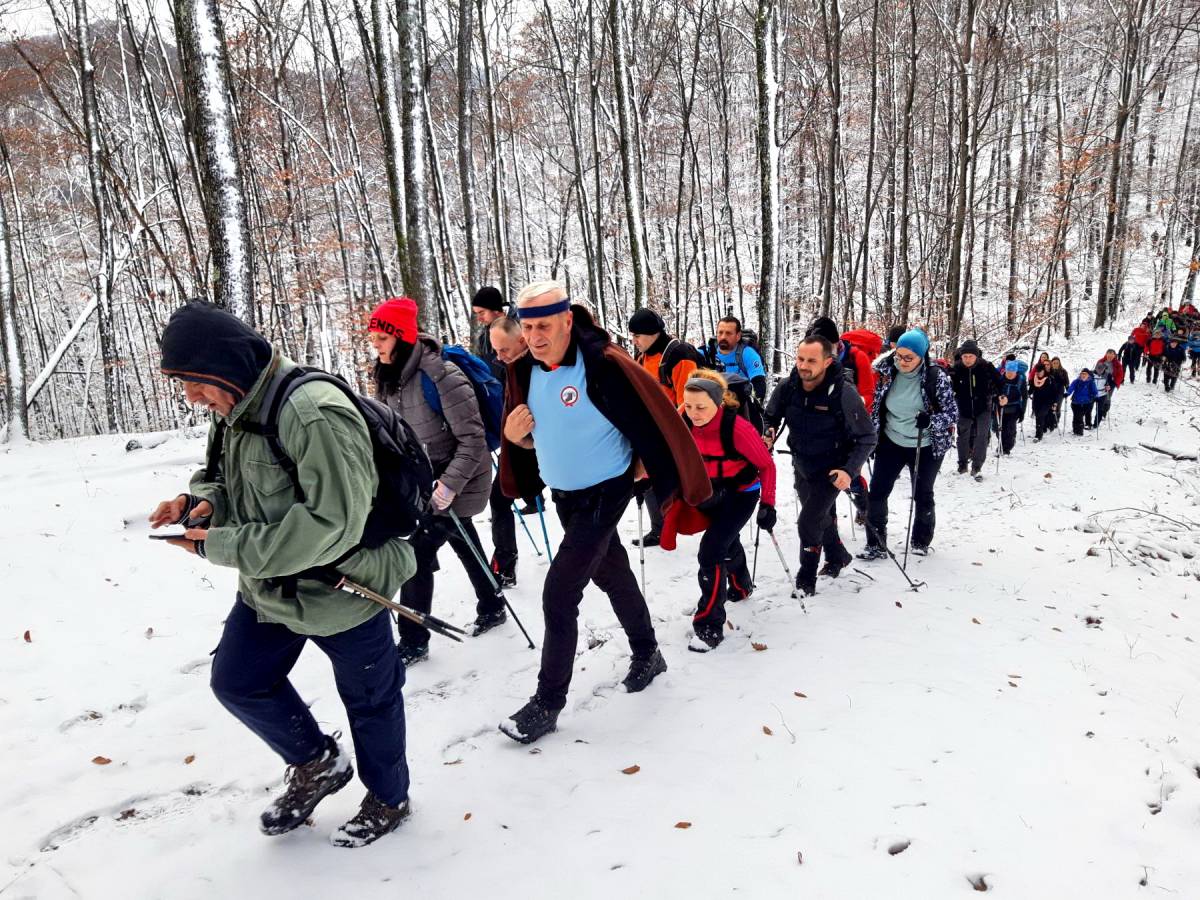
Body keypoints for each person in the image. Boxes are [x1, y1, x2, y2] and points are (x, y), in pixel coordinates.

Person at [150, 300, 415, 847]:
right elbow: (220, 478)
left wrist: (216, 546)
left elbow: (334, 524)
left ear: (222, 367)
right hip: (270, 587)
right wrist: (196, 503)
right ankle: (316, 762)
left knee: (371, 702)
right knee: (237, 681)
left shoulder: (310, 413)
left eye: (194, 382)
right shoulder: (234, 408)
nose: (191, 396)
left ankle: (389, 799)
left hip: (344, 586)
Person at [497, 281, 710, 743]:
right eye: (528, 326)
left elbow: (653, 417)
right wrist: (515, 439)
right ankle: (648, 653)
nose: (535, 336)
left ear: (567, 321)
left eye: (545, 325)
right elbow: (540, 434)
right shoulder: (525, 372)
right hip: (564, 495)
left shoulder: (603, 364)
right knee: (611, 573)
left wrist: (644, 465)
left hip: (605, 492)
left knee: (559, 592)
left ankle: (547, 702)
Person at [369, 297, 506, 664]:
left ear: (401, 337)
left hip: (463, 477)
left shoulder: (440, 375)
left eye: (382, 337)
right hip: (423, 483)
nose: (375, 345)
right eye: (373, 337)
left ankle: (413, 639)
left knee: (415, 553)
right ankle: (493, 603)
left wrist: (448, 485)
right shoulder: (386, 377)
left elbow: (474, 439)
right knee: (463, 536)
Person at [764, 335, 877, 594]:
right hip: (802, 463)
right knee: (820, 517)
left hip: (832, 469)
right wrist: (768, 431)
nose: (803, 365)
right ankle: (837, 555)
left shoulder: (843, 392)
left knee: (808, 521)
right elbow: (770, 415)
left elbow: (868, 437)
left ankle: (806, 578)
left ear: (827, 361)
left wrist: (849, 471)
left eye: (811, 360)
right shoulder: (788, 386)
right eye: (800, 358)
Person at [677, 370, 777, 648]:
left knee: (710, 551)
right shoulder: (683, 420)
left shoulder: (738, 428)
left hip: (742, 493)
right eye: (688, 405)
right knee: (726, 542)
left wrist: (768, 503)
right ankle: (742, 585)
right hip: (709, 492)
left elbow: (766, 465)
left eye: (701, 407)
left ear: (717, 403)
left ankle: (709, 624)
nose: (694, 413)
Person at [859, 328, 958, 559]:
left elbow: (952, 413)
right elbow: (876, 404)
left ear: (921, 356)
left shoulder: (936, 378)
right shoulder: (886, 372)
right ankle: (876, 543)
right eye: (898, 355)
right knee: (877, 493)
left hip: (925, 445)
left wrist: (931, 420)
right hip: (891, 441)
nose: (901, 361)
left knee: (922, 493)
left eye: (908, 357)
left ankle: (920, 541)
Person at [627, 307, 703, 548]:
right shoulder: (643, 356)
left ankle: (693, 522)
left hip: (678, 429)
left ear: (653, 333)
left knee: (676, 481)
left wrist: (669, 431)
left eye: (637, 335)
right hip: (652, 429)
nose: (634, 340)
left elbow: (689, 401)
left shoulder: (679, 355)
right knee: (646, 477)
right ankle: (659, 529)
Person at [470, 286, 522, 587]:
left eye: (481, 313)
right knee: (499, 498)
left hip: (528, 421)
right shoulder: (484, 336)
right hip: (504, 420)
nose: (479, 319)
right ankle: (505, 562)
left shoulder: (518, 329)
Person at [804, 316, 874, 522]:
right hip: (822, 428)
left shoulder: (856, 357)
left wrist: (855, 402)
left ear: (836, 343)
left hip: (851, 428)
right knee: (824, 478)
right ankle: (829, 521)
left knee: (849, 473)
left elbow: (870, 392)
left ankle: (864, 506)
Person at [950, 339, 999, 476]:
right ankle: (962, 464)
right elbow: (949, 387)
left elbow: (999, 382)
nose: (967, 359)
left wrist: (999, 394)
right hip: (964, 407)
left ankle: (977, 466)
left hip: (983, 407)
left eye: (971, 356)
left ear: (976, 356)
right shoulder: (956, 368)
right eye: (965, 356)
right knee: (962, 436)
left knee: (981, 436)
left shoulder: (986, 367)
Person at [707, 316, 767, 402]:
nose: (723, 337)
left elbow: (759, 387)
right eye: (720, 333)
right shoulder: (708, 352)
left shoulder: (748, 354)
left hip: (741, 403)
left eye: (728, 333)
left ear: (738, 336)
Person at [996, 361, 1028, 454]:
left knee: (1010, 430)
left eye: (1012, 372)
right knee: (1000, 429)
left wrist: (1023, 411)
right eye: (1008, 372)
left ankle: (1007, 448)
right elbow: (996, 391)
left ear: (1016, 371)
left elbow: (1024, 396)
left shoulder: (1020, 380)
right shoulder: (1001, 379)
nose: (1009, 374)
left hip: (1014, 408)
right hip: (1001, 407)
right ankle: (1001, 445)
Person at [1091, 349, 1124, 428]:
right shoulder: (1101, 361)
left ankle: (1104, 413)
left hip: (1111, 382)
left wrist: (1115, 383)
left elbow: (1120, 374)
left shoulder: (1117, 364)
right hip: (1101, 380)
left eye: (1112, 354)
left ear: (1114, 355)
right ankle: (1100, 412)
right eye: (1108, 354)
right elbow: (1096, 371)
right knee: (1101, 397)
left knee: (1107, 398)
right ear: (1106, 354)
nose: (1110, 356)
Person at [1029, 363, 1059, 441]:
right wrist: (1027, 393)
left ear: (1044, 370)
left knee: (1040, 415)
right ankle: (1040, 430)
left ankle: (1038, 435)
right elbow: (1031, 389)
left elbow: (1055, 391)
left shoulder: (1049, 379)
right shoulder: (1034, 379)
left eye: (1040, 371)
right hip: (1036, 401)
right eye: (1037, 371)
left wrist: (1055, 402)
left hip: (1047, 401)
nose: (1038, 373)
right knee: (1038, 417)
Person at [1066, 368, 1098, 435]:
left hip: (1086, 403)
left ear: (1088, 375)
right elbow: (1071, 388)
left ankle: (1079, 432)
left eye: (1085, 374)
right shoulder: (1076, 381)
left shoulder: (1091, 382)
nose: (1083, 375)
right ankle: (1075, 431)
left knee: (1079, 417)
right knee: (1076, 417)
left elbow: (1094, 391)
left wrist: (1096, 397)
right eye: (1082, 374)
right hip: (1075, 403)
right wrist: (1067, 393)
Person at [1047, 357, 1070, 431]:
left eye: (1057, 363)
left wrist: (1067, 391)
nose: (1055, 364)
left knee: (1057, 406)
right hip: (1050, 391)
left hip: (1060, 391)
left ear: (1059, 363)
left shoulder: (1063, 371)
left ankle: (1055, 422)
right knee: (1050, 407)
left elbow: (1067, 382)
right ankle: (1049, 422)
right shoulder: (1049, 371)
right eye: (1054, 363)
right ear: (1052, 363)